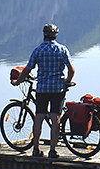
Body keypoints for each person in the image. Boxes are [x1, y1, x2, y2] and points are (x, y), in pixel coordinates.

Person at [13, 23, 75, 157]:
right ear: (56, 35)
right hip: (58, 89)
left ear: (44, 35)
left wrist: (18, 81)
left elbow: (27, 69)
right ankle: (52, 151)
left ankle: (36, 149)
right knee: (55, 118)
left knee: (39, 118)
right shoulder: (62, 49)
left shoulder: (38, 51)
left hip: (42, 88)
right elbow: (71, 70)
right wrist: (67, 81)